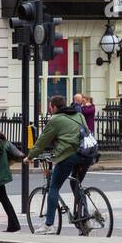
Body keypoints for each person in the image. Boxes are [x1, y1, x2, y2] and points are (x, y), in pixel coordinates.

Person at [26, 95, 88, 225]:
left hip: (69, 155)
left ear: (53, 107)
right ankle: (84, 218)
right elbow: (86, 133)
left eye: (50, 107)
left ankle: (48, 225)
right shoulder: (79, 115)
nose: (50, 110)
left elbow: (42, 141)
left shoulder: (55, 119)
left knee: (53, 187)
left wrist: (30, 156)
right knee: (76, 184)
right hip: (86, 155)